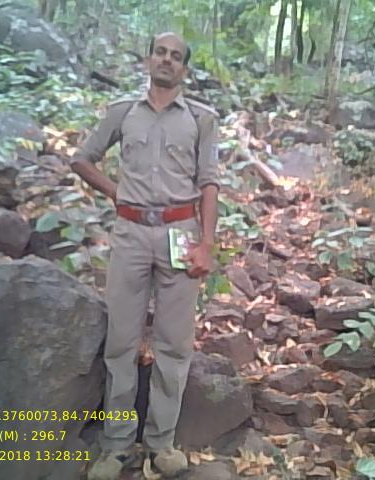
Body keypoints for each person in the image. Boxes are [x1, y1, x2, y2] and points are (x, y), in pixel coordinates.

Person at [69, 32, 219, 480]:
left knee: (174, 343)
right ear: (148, 60)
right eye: (160, 53)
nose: (167, 61)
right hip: (131, 235)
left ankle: (161, 443)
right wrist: (117, 193)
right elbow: (82, 159)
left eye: (176, 57)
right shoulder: (123, 113)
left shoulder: (200, 119)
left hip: (180, 232)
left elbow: (209, 183)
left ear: (185, 69)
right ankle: (115, 446)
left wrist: (206, 244)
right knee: (121, 341)